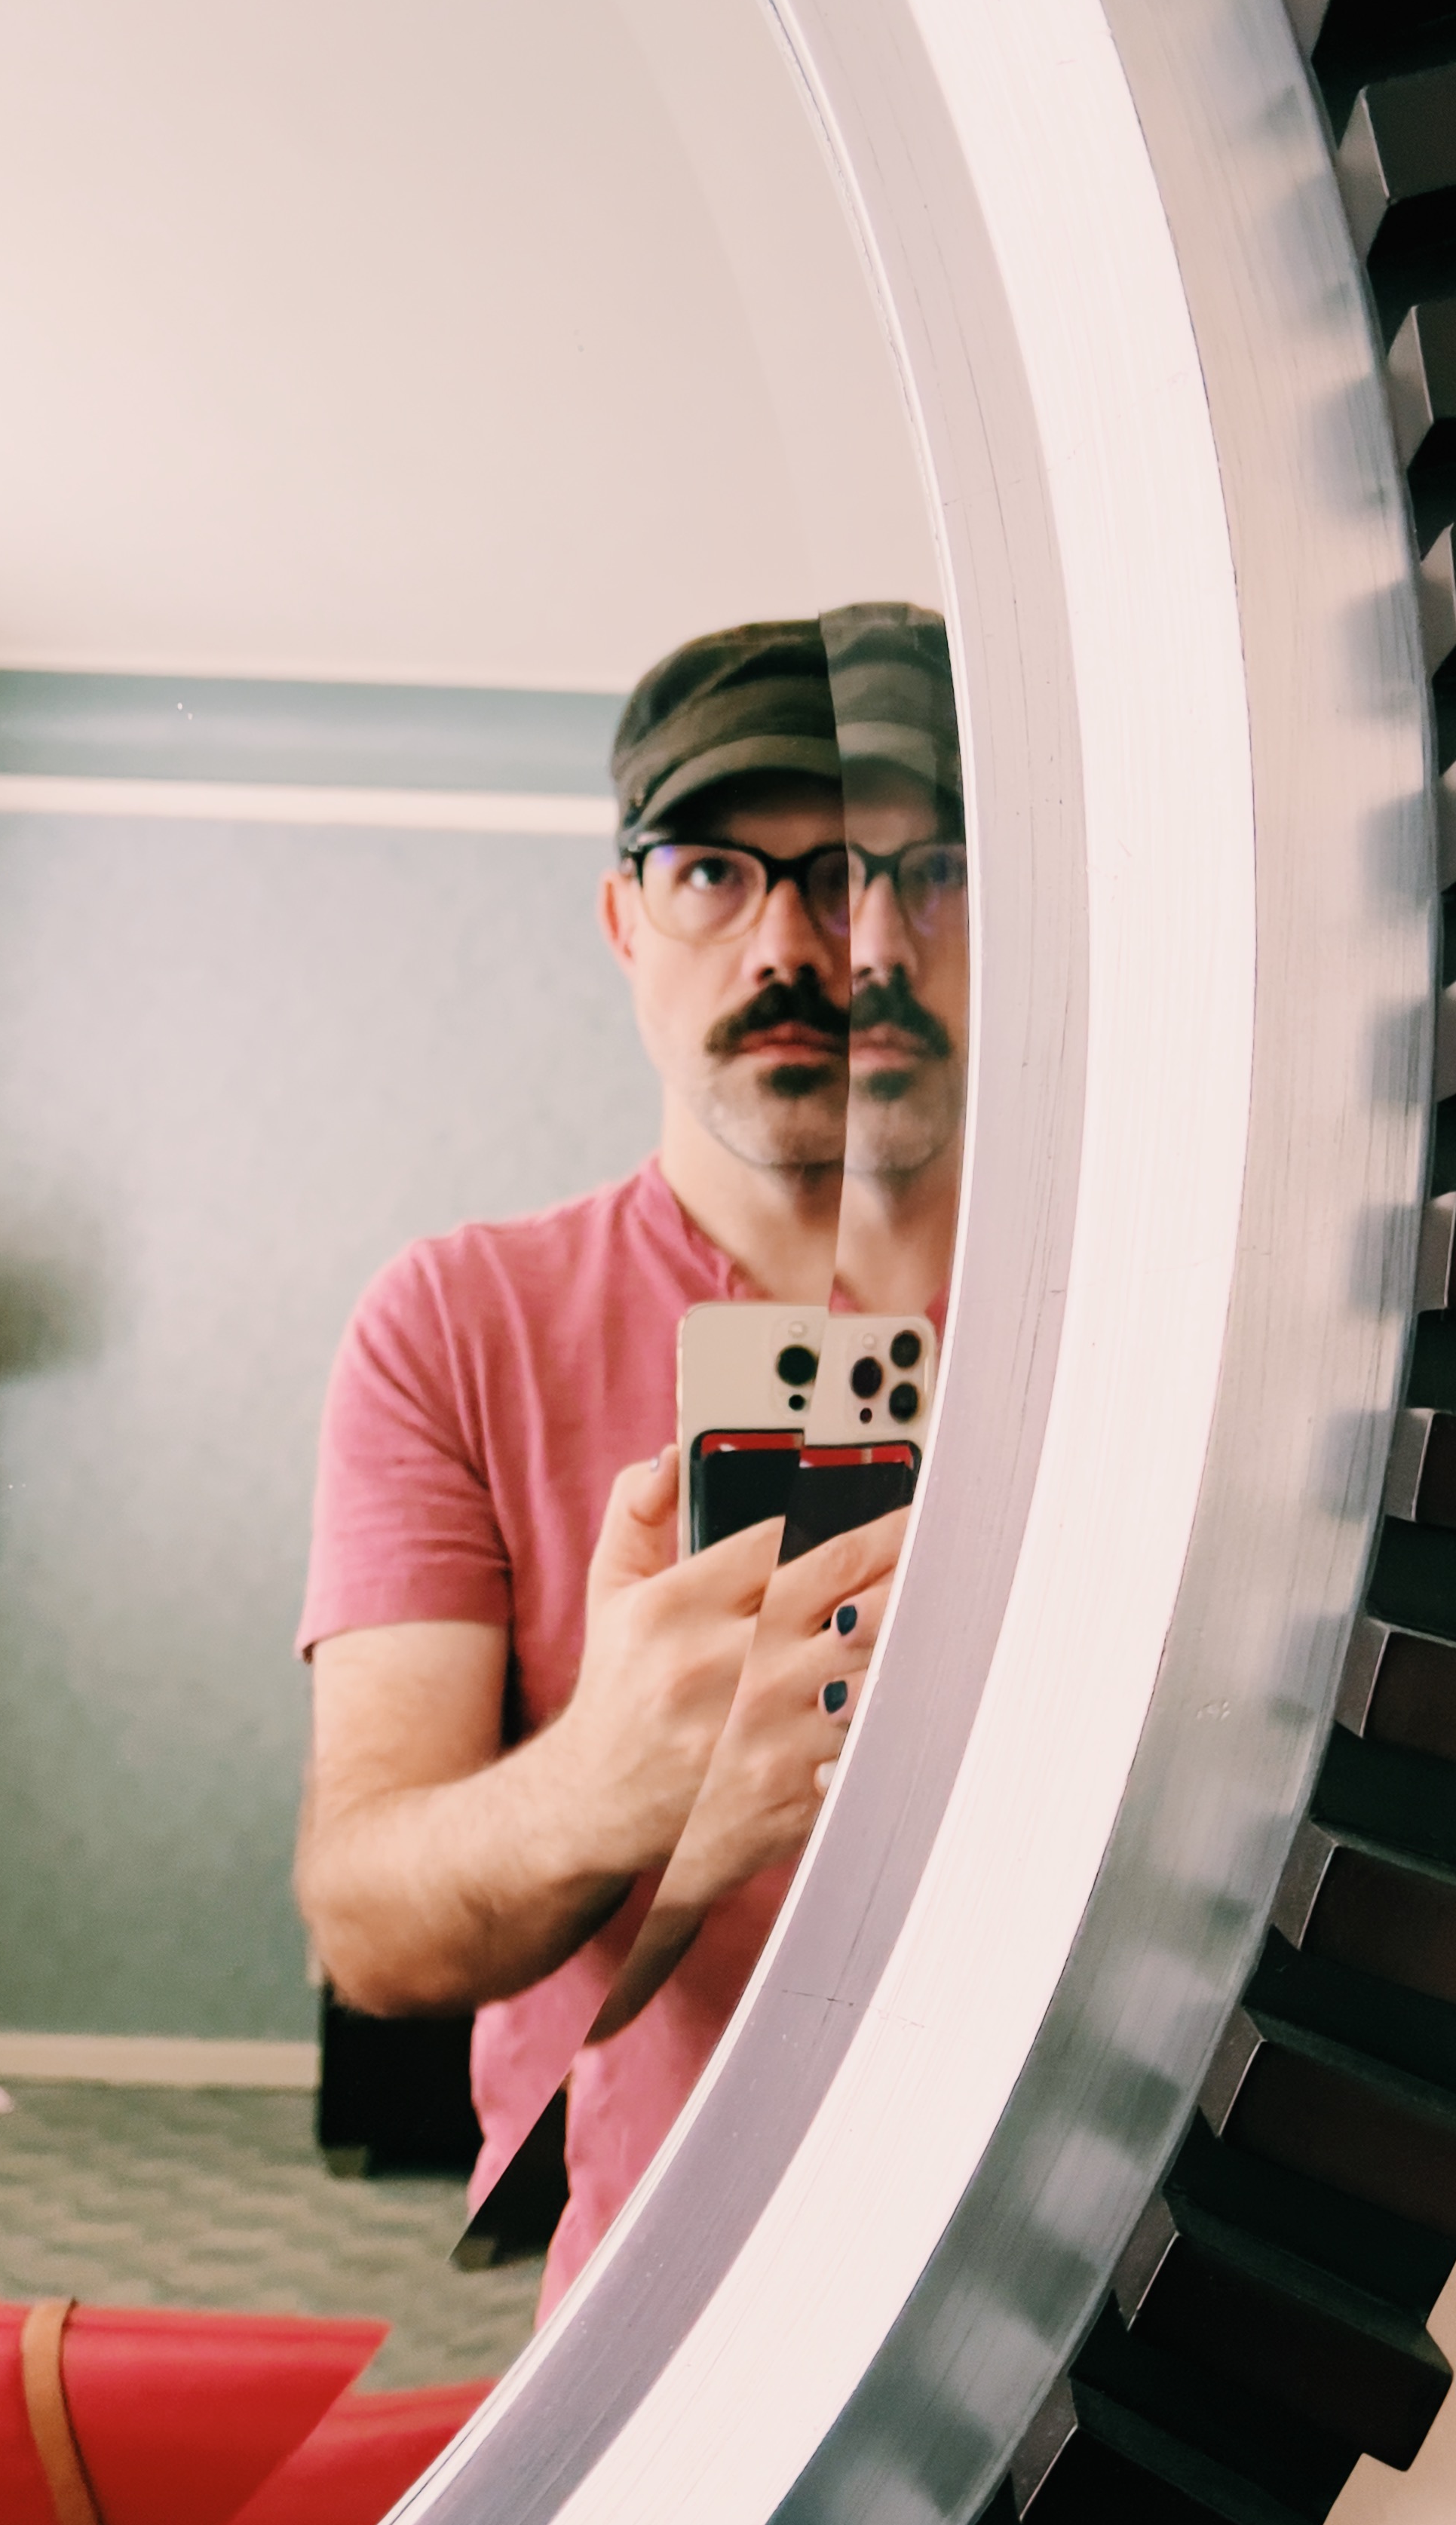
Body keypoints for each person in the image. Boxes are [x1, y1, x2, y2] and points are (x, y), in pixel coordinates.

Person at [293, 608, 968, 2315]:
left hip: (1081, 2239)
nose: (811, 945)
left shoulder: (1142, 1313)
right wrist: (611, 1778)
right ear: (624, 920)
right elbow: (365, 1925)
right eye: (716, 871)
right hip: (666, 2307)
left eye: (909, 866)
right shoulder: (457, 1324)